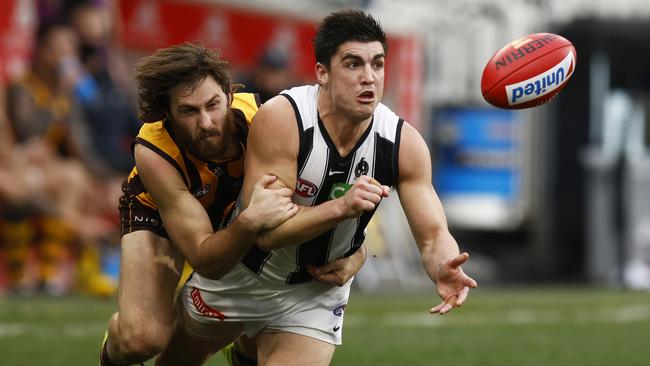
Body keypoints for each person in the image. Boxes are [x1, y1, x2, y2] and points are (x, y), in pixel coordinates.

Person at [158, 10, 478, 366]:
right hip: (245, 273)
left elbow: (433, 235)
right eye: (353, 64)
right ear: (322, 73)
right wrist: (342, 207)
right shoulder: (284, 118)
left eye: (378, 64)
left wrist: (444, 266)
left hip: (315, 292)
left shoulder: (404, 143)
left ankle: (249, 352)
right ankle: (247, 349)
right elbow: (264, 231)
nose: (368, 78)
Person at [99, 42, 368, 366]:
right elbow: (206, 260)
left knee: (273, 314)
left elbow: (317, 200)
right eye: (189, 111)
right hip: (157, 211)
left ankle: (243, 347)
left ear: (228, 94)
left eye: (213, 104)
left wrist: (357, 252)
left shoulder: (265, 119)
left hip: (237, 209)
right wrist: (250, 221)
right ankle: (114, 350)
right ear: (167, 114)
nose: (207, 122)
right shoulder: (153, 150)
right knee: (141, 339)